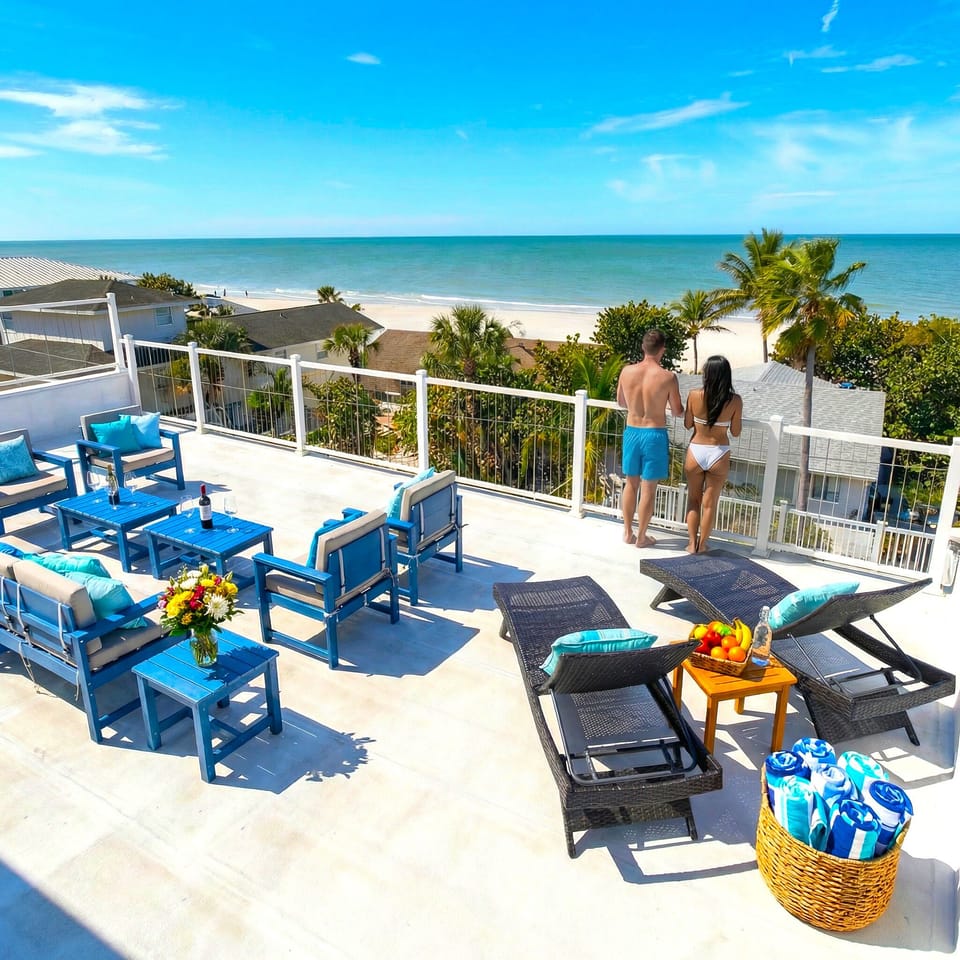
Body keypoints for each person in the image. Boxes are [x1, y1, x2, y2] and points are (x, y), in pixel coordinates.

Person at [616, 329, 683, 547]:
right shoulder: (668, 377)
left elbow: (621, 402)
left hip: (632, 431)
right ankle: (642, 537)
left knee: (631, 484)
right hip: (654, 434)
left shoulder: (626, 372)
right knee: (648, 489)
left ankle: (627, 532)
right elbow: (676, 410)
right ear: (662, 350)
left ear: (643, 348)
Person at [683, 355, 743, 553]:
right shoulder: (735, 401)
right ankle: (702, 545)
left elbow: (687, 424)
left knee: (693, 500)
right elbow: (735, 432)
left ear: (707, 374)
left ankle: (691, 543)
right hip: (719, 452)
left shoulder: (693, 395)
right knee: (709, 504)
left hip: (696, 450)